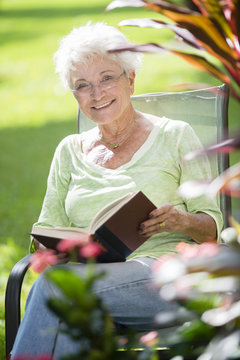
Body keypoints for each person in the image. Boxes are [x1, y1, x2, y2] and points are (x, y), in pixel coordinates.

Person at [11, 22, 223, 358]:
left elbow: (212, 230)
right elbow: (45, 232)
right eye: (82, 85)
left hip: (167, 277)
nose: (97, 93)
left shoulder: (175, 136)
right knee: (73, 312)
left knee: (58, 289)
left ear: (131, 79)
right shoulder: (69, 150)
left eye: (107, 78)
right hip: (93, 282)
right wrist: (55, 249)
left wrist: (180, 220)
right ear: (74, 94)